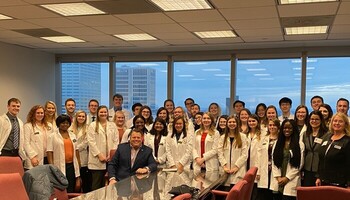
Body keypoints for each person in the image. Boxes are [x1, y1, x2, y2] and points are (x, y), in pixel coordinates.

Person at [87, 105, 119, 190]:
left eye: (105, 112)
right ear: (97, 113)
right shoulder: (92, 125)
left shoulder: (112, 125)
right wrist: (99, 155)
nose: (103, 113)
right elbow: (91, 142)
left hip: (110, 159)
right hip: (97, 160)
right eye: (101, 112)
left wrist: (111, 155)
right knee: (97, 185)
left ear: (108, 113)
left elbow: (116, 141)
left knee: (110, 186)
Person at [271, 119, 304, 200]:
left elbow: (300, 164)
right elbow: (273, 160)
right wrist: (278, 177)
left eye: (290, 128)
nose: (287, 130)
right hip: (278, 179)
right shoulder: (277, 143)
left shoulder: (300, 144)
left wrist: (287, 178)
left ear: (294, 129)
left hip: (291, 180)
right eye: (285, 128)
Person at [47, 114, 80, 193]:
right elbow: (49, 152)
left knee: (71, 187)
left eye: (67, 123)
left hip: (72, 166)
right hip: (58, 166)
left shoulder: (73, 135)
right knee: (60, 189)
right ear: (58, 124)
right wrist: (52, 167)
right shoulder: (52, 136)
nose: (65, 125)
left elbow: (77, 151)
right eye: (62, 123)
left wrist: (79, 165)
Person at [316, 112, 350, 188]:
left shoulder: (347, 141)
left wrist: (349, 184)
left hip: (339, 183)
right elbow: (321, 159)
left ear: (345, 124)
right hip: (323, 181)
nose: (337, 123)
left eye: (340, 121)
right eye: (335, 121)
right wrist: (318, 177)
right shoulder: (327, 137)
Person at [218, 116, 248, 186]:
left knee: (237, 194)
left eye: (234, 122)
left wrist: (236, 167)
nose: (232, 124)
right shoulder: (222, 138)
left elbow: (244, 154)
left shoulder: (243, 137)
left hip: (238, 171)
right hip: (226, 171)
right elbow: (220, 153)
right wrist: (224, 166)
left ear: (237, 123)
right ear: (227, 124)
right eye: (230, 122)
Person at [301, 111, 328, 186]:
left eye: (317, 119)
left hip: (320, 169)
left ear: (321, 120)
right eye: (312, 119)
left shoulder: (327, 134)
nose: (314, 121)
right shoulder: (305, 134)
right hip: (307, 168)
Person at [257, 119, 280, 200]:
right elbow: (258, 156)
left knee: (274, 195)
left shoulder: (281, 139)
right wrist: (258, 171)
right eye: (270, 125)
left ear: (278, 127)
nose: (272, 127)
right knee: (264, 194)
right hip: (264, 170)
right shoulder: (264, 138)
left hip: (276, 171)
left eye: (274, 125)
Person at [69, 110, 91, 192]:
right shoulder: (70, 128)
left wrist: (76, 148)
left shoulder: (88, 128)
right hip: (72, 156)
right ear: (76, 117)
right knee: (75, 182)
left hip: (83, 156)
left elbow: (86, 142)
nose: (81, 118)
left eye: (83, 116)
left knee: (85, 182)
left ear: (85, 118)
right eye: (79, 116)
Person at [23, 105, 49, 169]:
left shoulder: (48, 126)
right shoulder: (28, 126)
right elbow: (26, 143)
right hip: (34, 158)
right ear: (33, 114)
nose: (40, 114)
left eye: (42, 113)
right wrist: (32, 157)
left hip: (46, 157)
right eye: (37, 113)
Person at [246, 114, 262, 200]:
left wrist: (258, 170)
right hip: (246, 165)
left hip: (256, 166)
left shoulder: (262, 134)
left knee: (255, 191)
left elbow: (261, 154)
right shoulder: (245, 134)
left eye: (253, 121)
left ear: (257, 122)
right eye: (250, 121)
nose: (251, 123)